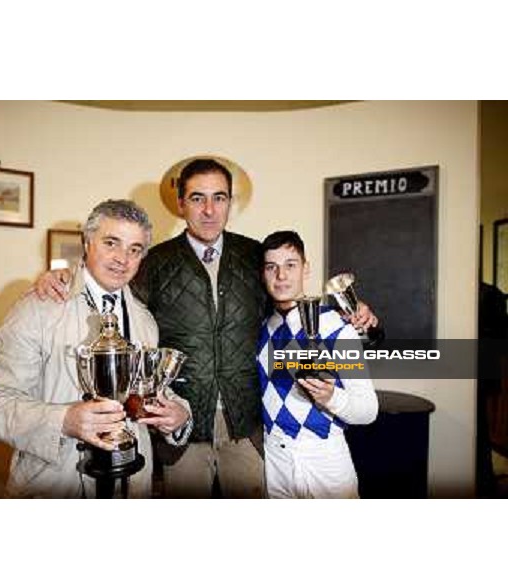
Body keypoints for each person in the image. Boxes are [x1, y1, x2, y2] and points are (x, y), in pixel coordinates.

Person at [34, 158, 378, 498]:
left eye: (220, 198)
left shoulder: (253, 255)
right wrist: (66, 276)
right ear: (181, 204)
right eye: (198, 198)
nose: (210, 210)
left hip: (248, 431)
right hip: (181, 431)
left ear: (231, 202)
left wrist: (347, 308)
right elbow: (110, 290)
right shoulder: (152, 262)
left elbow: (288, 297)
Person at [0, 200, 192, 498]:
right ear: (87, 242)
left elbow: (150, 390)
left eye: (135, 249)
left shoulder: (144, 320)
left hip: (133, 485)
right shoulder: (38, 308)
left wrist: (179, 415)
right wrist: (63, 421)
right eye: (111, 243)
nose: (122, 259)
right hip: (55, 486)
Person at [258, 230, 378, 498]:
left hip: (326, 459)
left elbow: (369, 411)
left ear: (305, 269)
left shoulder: (338, 326)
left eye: (290, 265)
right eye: (271, 267)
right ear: (262, 273)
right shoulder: (258, 329)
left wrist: (331, 397)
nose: (281, 275)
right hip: (275, 463)